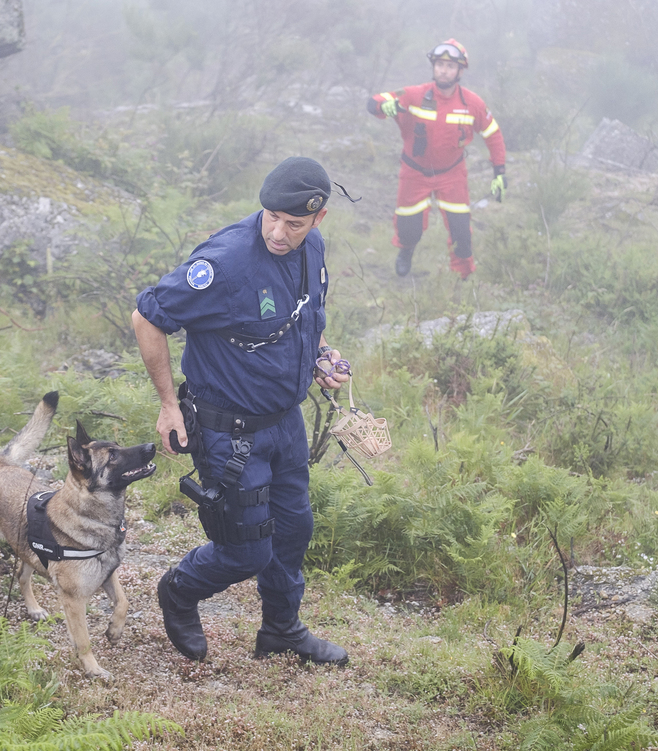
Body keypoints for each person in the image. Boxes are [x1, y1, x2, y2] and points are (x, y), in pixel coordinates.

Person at [131, 156, 351, 666]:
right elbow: (147, 317)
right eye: (271, 217)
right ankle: (179, 591)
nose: (278, 232)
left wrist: (321, 356)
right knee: (245, 549)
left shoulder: (313, 248)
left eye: (293, 223)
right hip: (228, 431)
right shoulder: (225, 264)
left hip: (286, 423)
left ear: (318, 219)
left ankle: (281, 630)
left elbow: (307, 317)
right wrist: (168, 405)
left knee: (293, 531)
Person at [368, 39, 507, 278]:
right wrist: (385, 106)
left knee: (461, 232)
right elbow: (375, 101)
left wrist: (500, 172)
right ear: (433, 67)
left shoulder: (472, 103)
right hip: (414, 173)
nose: (444, 70)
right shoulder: (413, 95)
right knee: (408, 228)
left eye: (450, 66)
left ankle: (463, 276)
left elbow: (493, 135)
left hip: (452, 175)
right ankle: (406, 251)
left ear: (460, 71)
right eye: (440, 64)